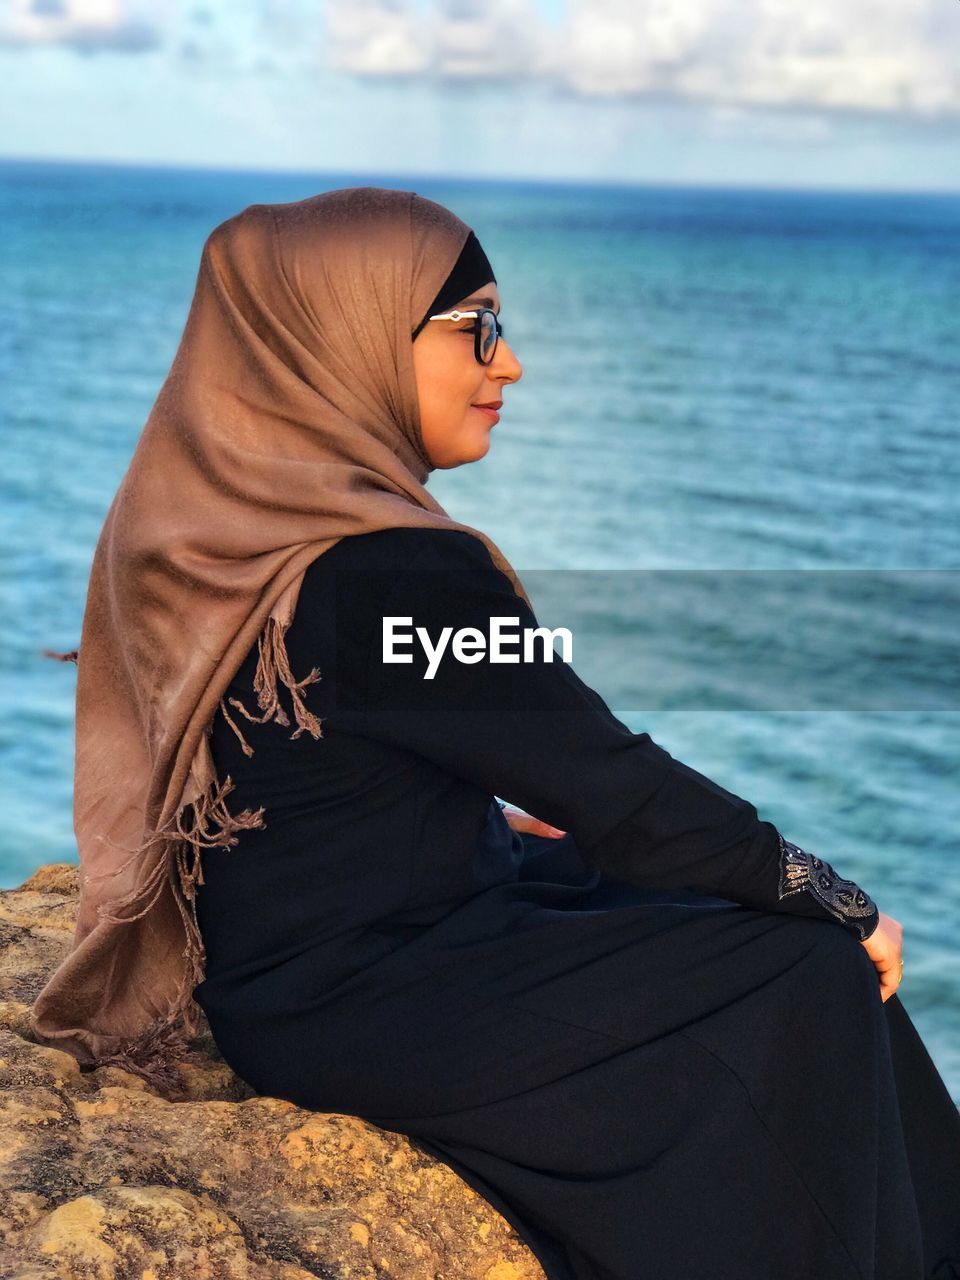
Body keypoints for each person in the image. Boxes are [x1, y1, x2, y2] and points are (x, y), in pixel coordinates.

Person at [32, 188, 960, 1279]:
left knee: (684, 893)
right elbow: (617, 786)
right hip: (383, 995)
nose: (507, 363)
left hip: (284, 982)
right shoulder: (395, 570)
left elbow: (322, 762)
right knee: (806, 963)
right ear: (356, 339)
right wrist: (836, 892)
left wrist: (460, 807)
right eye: (474, 328)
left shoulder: (220, 524)